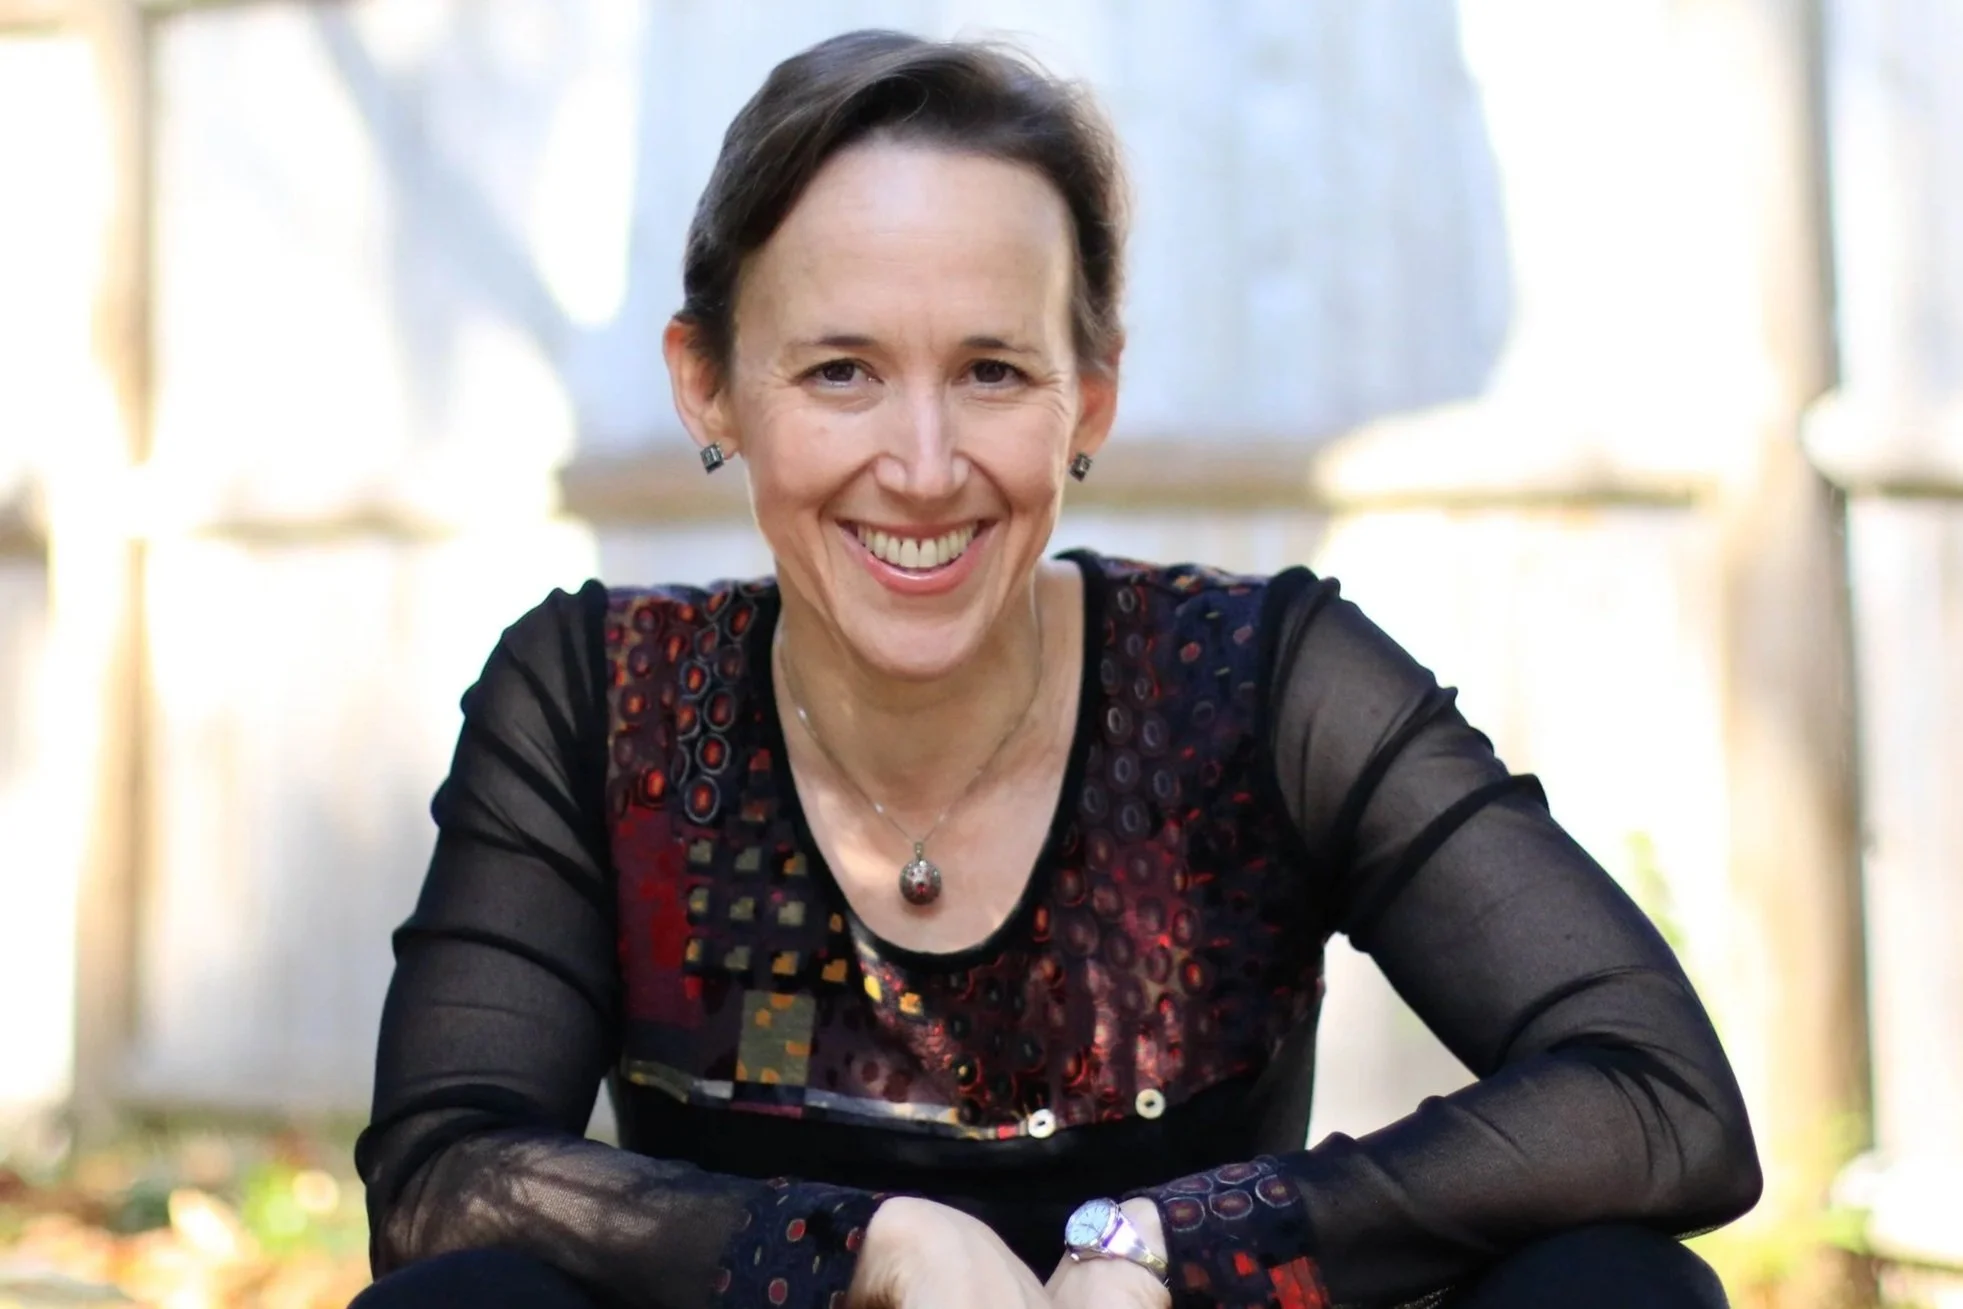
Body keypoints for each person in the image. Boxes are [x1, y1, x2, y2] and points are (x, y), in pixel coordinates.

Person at [351, 28, 1761, 1309]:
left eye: (991, 372)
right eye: (840, 370)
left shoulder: (1255, 686)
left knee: (1614, 1288)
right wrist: (865, 1249)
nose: (919, 466)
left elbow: (1660, 1101)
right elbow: (442, 1174)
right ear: (707, 384)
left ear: (1088, 397)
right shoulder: (600, 699)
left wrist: (1165, 1246)